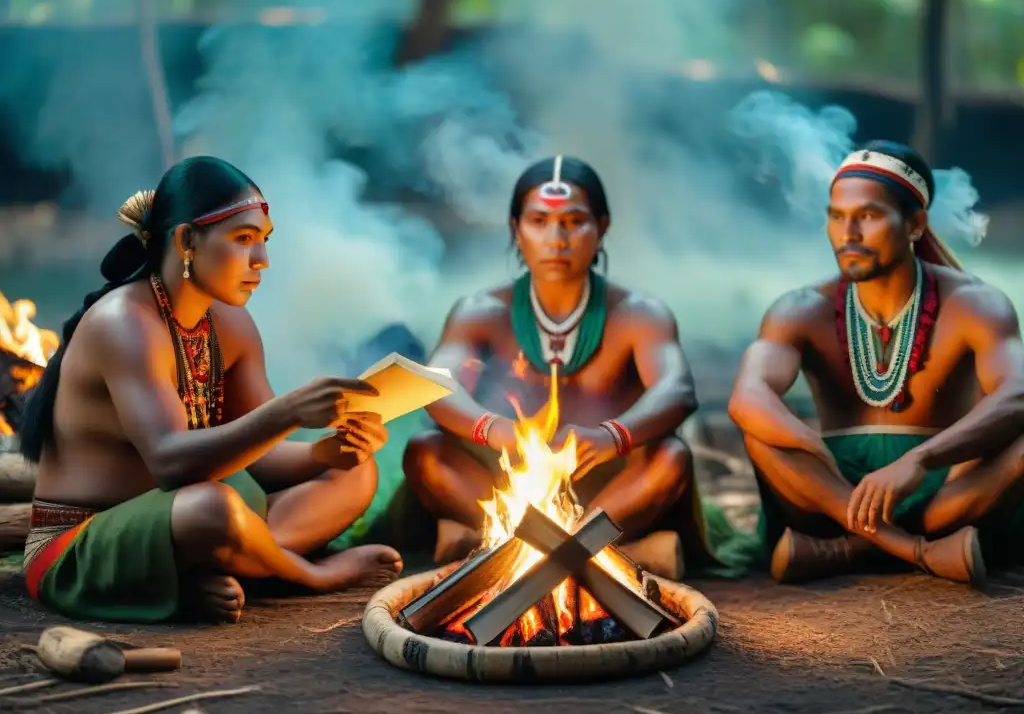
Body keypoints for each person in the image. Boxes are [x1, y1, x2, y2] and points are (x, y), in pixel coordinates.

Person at [18, 156, 402, 624]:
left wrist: (328, 454)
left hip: (184, 516)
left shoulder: (230, 323)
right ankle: (303, 574)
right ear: (185, 241)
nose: (261, 261)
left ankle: (220, 564)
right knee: (215, 508)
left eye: (263, 241)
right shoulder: (125, 323)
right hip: (82, 544)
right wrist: (289, 412)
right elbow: (171, 463)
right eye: (243, 240)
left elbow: (257, 455)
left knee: (356, 475)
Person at [403, 155, 745, 577]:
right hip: (506, 481)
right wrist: (501, 431)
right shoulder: (480, 311)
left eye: (573, 221)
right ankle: (605, 556)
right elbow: (437, 384)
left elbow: (676, 391)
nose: (556, 238)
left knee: (670, 458)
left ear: (602, 228)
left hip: (608, 489)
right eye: (539, 220)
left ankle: (500, 547)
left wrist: (611, 437)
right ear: (516, 229)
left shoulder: (640, 314)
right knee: (425, 454)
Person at [728, 141, 1024, 586]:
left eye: (867, 216)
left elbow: (1017, 392)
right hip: (832, 490)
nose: (848, 233)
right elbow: (747, 397)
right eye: (836, 216)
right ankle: (910, 549)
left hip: (943, 490)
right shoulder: (800, 309)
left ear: (915, 224)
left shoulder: (975, 304)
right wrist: (812, 449)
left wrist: (922, 461)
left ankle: (845, 551)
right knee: (763, 437)